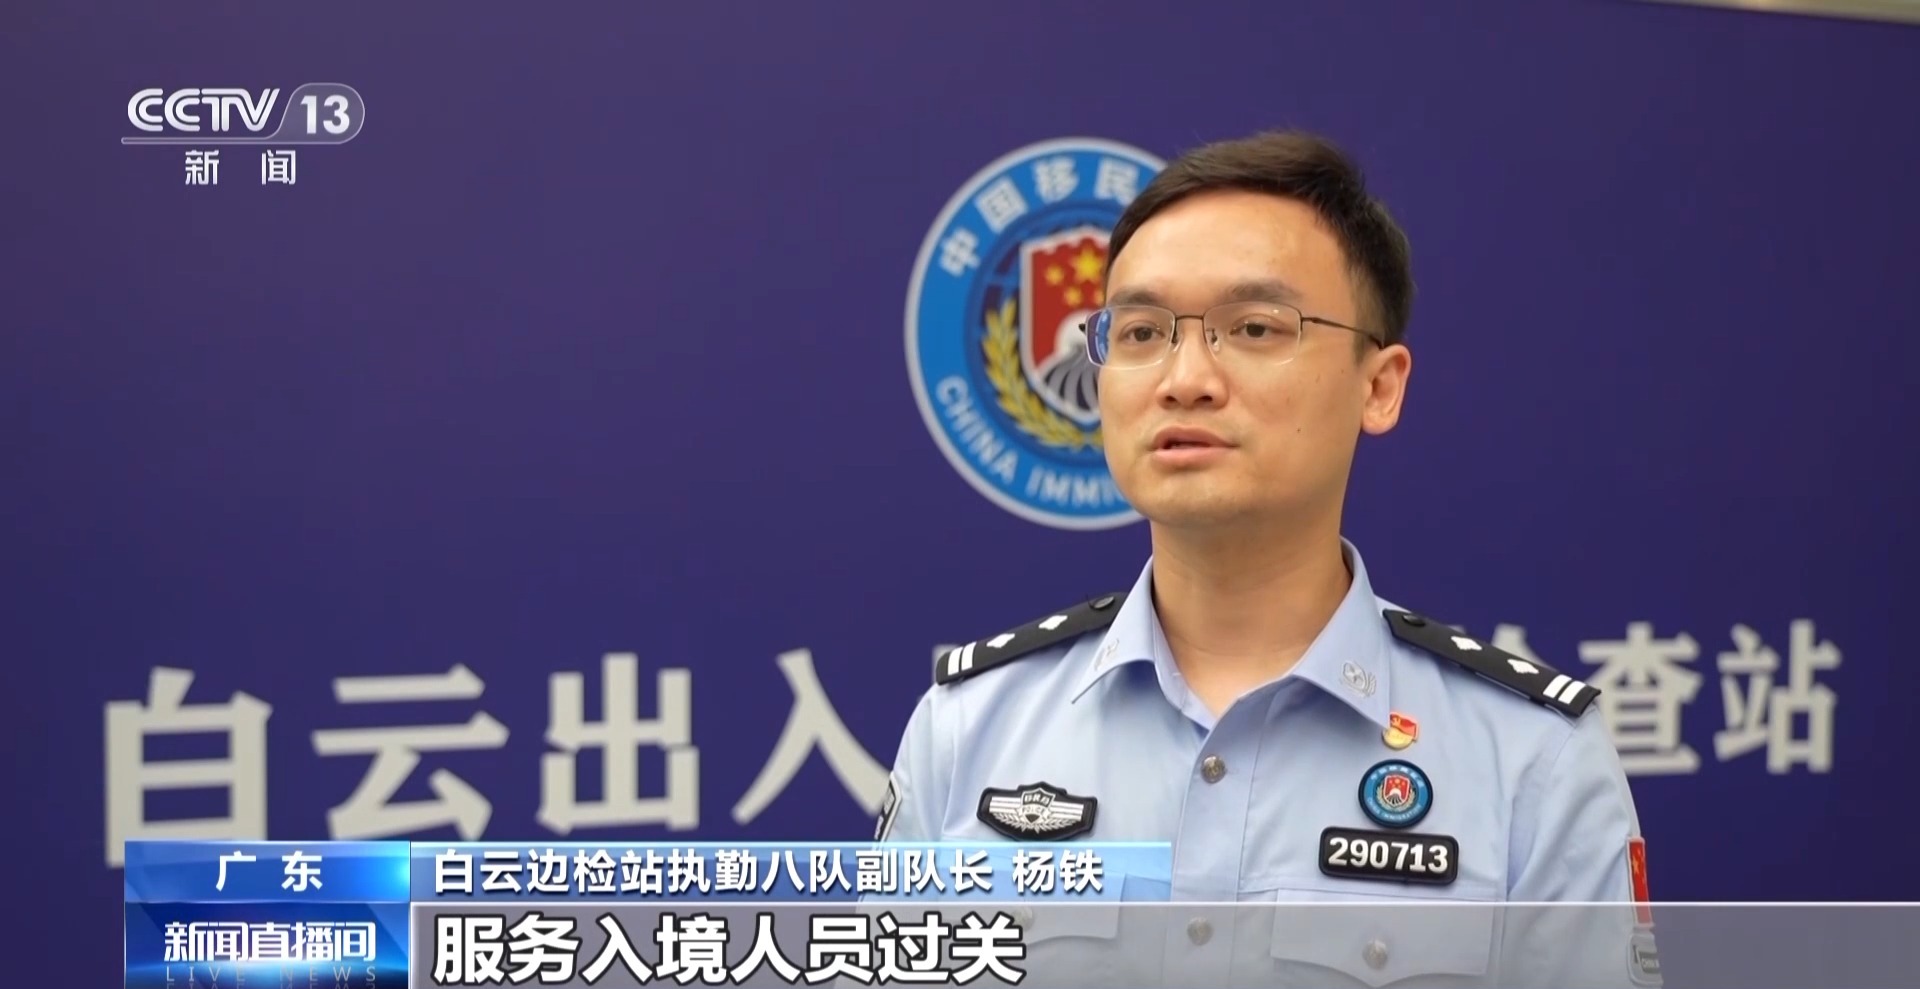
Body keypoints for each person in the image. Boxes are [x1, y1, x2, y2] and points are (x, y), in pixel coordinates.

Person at [876, 130, 1659, 988]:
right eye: (1140, 331)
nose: (1185, 378)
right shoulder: (970, 729)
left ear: (1379, 385)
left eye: (1252, 327)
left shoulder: (1530, 758)